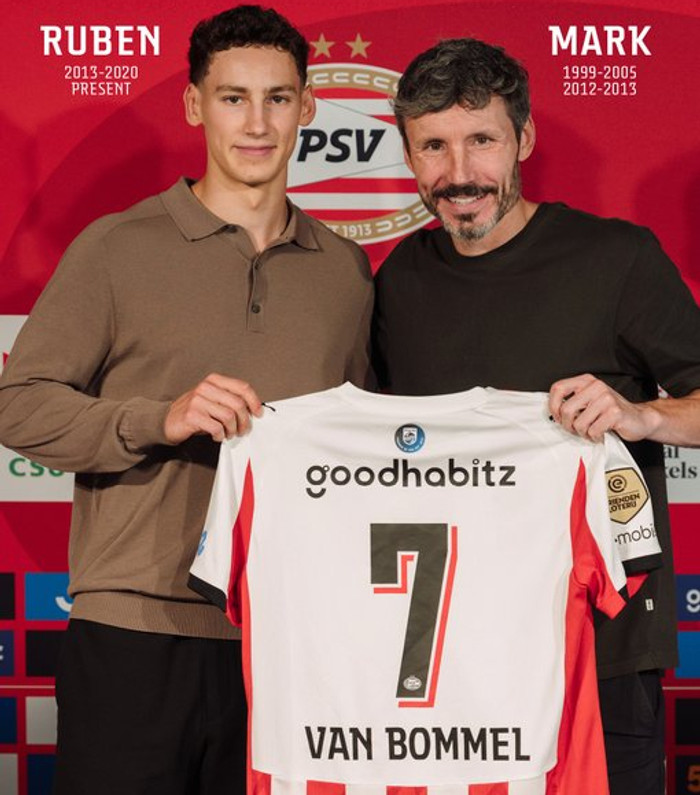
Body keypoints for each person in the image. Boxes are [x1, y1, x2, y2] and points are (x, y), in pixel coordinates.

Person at [0, 5, 373, 794]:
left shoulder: (345, 270)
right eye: (234, 98)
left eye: (278, 98)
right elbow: (19, 404)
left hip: (283, 638)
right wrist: (157, 418)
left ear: (308, 107)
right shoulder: (117, 246)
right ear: (195, 105)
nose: (257, 123)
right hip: (133, 633)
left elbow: (363, 447)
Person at [372, 37, 700, 795]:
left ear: (523, 138)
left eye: (481, 140)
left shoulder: (618, 258)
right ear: (409, 155)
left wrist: (642, 416)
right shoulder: (399, 281)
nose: (458, 173)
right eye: (433, 146)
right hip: (449, 662)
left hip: (600, 651)